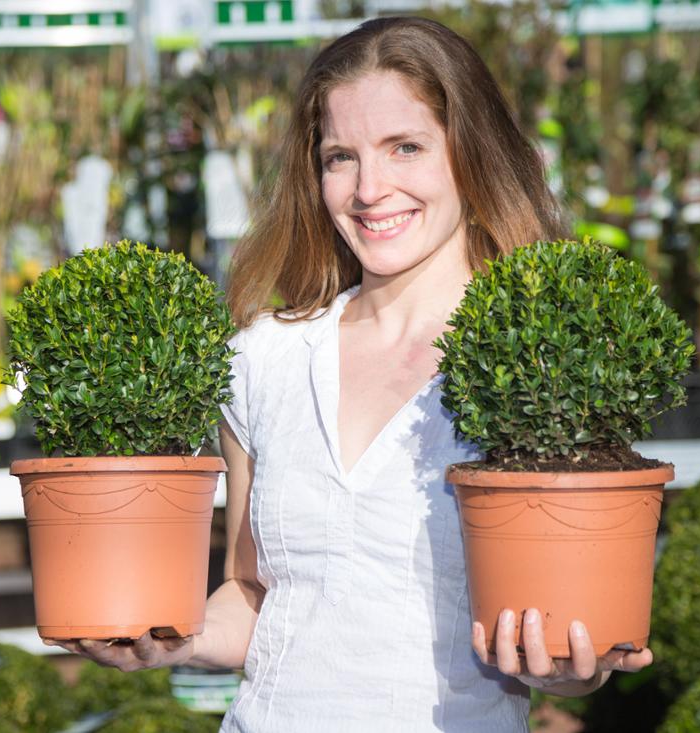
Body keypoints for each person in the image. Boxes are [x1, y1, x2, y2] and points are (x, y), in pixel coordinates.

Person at [52, 16, 653, 731]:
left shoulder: (539, 365)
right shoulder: (265, 358)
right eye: (341, 156)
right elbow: (253, 593)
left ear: (472, 152)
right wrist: (162, 636)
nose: (371, 188)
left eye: (406, 147)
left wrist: (572, 670)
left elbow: (571, 608)